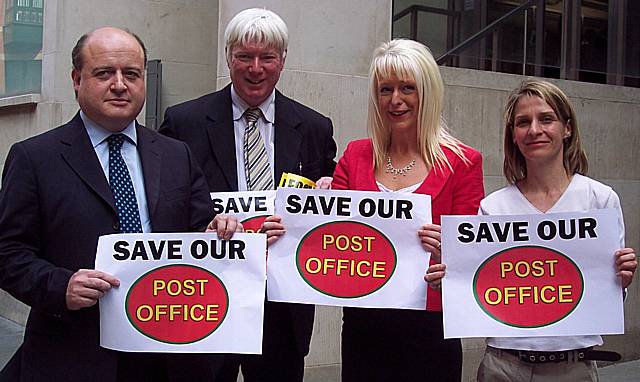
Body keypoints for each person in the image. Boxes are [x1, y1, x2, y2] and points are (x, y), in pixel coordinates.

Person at [0, 27, 239, 382]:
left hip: (167, 356)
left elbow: (198, 231)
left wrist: (218, 231)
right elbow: (8, 252)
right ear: (76, 80)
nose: (119, 84)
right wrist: (59, 285)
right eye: (104, 73)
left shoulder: (177, 155)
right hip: (73, 353)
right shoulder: (34, 158)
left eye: (131, 74)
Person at [159, 8, 337, 382]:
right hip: (208, 295)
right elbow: (166, 203)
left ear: (283, 60)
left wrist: (330, 190)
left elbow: (329, 196)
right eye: (244, 56)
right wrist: (204, 224)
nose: (255, 68)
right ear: (228, 57)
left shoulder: (314, 127)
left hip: (282, 303)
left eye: (267, 57)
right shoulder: (183, 123)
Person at [426, 79, 637, 382]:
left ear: (567, 128)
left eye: (546, 119)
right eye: (523, 122)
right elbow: (482, 288)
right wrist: (451, 281)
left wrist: (622, 279)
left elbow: (610, 295)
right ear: (513, 136)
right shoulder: (492, 208)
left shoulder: (600, 200)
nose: (534, 129)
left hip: (574, 367)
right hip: (502, 366)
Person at [332, 39, 483, 381]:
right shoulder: (355, 155)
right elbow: (330, 233)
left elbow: (472, 251)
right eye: (385, 89)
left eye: (407, 88)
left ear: (427, 92)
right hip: (364, 324)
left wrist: (450, 248)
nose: (395, 100)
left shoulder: (463, 162)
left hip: (431, 326)